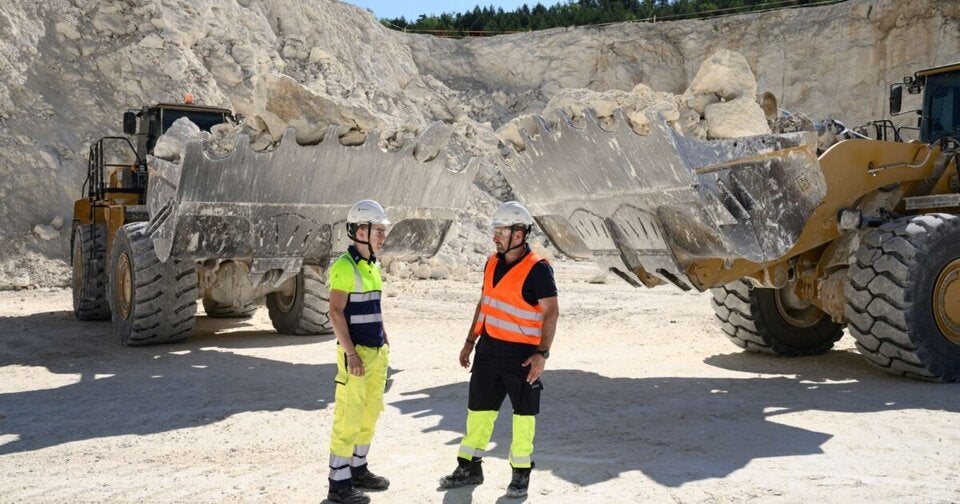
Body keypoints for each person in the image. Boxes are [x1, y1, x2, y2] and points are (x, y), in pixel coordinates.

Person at [439, 201, 559, 498]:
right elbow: (485, 303)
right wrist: (470, 340)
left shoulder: (538, 270)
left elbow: (551, 312)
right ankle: (469, 466)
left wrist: (541, 355)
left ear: (518, 234)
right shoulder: (492, 262)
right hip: (488, 350)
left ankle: (520, 474)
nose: (495, 237)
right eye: (495, 231)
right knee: (478, 411)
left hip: (522, 355)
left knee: (523, 415)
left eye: (500, 231)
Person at [326, 199, 392, 504]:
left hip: (377, 354)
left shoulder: (373, 264)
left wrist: (385, 341)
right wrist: (351, 354)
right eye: (378, 230)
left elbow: (374, 309)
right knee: (348, 418)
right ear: (360, 231)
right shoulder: (344, 267)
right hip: (356, 356)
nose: (382, 236)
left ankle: (359, 469)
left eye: (382, 230)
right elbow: (336, 313)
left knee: (369, 414)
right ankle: (338, 485)